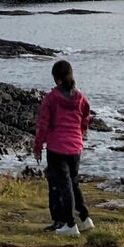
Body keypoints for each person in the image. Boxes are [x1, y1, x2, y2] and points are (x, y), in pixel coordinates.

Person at [33, 59, 93, 237]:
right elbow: (85, 117)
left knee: (63, 185)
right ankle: (84, 218)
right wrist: (81, 133)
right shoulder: (80, 97)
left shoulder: (51, 99)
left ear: (57, 79)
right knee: (73, 182)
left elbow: (43, 125)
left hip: (57, 147)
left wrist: (38, 147)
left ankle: (69, 223)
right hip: (75, 147)